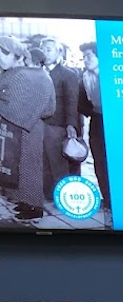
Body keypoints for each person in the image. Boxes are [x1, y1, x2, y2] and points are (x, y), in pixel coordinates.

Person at [0, 35, 54, 221]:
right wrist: (33, 115)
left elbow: (8, 107)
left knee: (21, 167)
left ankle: (33, 208)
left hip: (15, 129)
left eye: (2, 55)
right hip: (35, 128)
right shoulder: (44, 76)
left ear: (14, 55)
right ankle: (26, 203)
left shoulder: (14, 76)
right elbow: (50, 108)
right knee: (29, 167)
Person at [38, 37, 82, 198]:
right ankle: (48, 194)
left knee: (58, 163)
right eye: (42, 49)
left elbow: (72, 101)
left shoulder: (67, 74)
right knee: (43, 162)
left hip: (57, 125)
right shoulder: (38, 72)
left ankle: (64, 196)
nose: (45, 53)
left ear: (58, 52)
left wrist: (71, 124)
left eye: (49, 49)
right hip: (39, 124)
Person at [76, 41, 108, 208]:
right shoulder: (84, 76)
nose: (85, 59)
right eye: (84, 57)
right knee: (98, 159)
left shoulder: (109, 74)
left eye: (89, 56)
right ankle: (107, 199)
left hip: (112, 121)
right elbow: (82, 102)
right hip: (96, 119)